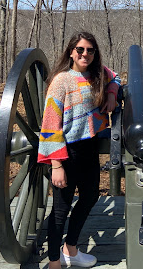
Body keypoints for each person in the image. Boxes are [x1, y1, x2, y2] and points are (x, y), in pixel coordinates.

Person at [38, 32, 120, 269]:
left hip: (90, 148)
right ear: (71, 51)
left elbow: (116, 77)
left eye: (90, 50)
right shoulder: (61, 81)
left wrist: (112, 94)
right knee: (60, 211)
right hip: (67, 151)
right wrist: (56, 165)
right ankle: (54, 263)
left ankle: (70, 249)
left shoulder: (98, 75)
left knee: (90, 197)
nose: (85, 54)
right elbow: (50, 123)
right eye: (81, 50)